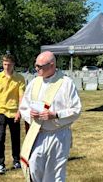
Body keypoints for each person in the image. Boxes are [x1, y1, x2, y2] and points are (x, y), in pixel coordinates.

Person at [19, 51, 82, 182]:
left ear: (52, 65)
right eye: (35, 65)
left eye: (40, 66)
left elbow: (76, 110)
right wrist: (30, 113)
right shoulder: (34, 83)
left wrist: (56, 114)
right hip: (38, 133)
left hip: (58, 134)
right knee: (34, 166)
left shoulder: (66, 83)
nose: (36, 69)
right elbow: (24, 106)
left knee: (54, 173)